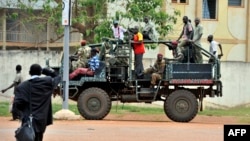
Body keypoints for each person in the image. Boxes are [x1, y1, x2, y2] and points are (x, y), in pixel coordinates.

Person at [13, 64, 61, 141]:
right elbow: (58, 76)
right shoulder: (47, 82)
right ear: (40, 73)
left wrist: (22, 114)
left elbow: (18, 104)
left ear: (29, 72)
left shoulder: (22, 86)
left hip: (27, 119)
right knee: (39, 138)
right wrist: (45, 71)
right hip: (42, 119)